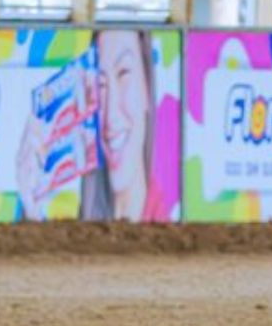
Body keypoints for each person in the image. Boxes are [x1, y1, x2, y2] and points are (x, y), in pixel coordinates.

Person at [17, 31, 163, 221]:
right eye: (100, 85)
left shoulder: (166, 218)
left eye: (123, 74)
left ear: (147, 88)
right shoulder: (84, 217)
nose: (111, 113)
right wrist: (31, 209)